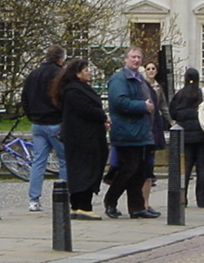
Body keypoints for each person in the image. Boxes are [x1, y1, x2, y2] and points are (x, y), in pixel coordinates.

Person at [104, 47, 157, 219]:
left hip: (140, 132)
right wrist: (143, 106)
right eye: (133, 57)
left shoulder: (140, 79)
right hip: (126, 132)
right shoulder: (119, 79)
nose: (136, 60)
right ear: (125, 59)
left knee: (140, 170)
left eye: (139, 57)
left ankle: (137, 207)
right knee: (128, 169)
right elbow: (119, 102)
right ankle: (110, 201)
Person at [52, 58, 108, 220]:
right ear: (77, 74)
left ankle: (78, 206)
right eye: (85, 70)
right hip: (83, 138)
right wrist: (102, 116)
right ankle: (83, 206)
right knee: (84, 171)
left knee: (83, 169)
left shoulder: (78, 89)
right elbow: (87, 110)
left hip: (86, 136)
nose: (89, 72)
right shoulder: (74, 91)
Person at [21, 46, 67, 213]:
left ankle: (34, 200)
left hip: (38, 123)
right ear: (60, 59)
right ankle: (63, 197)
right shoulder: (61, 74)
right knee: (64, 160)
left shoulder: (34, 74)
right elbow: (65, 98)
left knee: (38, 162)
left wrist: (32, 116)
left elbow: (24, 98)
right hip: (56, 122)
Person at [169, 68, 204, 208]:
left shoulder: (179, 95)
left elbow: (173, 113)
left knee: (185, 169)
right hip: (203, 136)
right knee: (202, 168)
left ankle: (183, 197)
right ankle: (201, 198)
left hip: (185, 137)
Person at [141, 60, 170, 212]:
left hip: (155, 124)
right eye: (148, 68)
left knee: (149, 161)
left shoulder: (158, 87)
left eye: (153, 69)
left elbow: (163, 106)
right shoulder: (141, 85)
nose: (151, 71)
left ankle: (145, 202)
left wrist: (171, 121)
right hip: (145, 124)